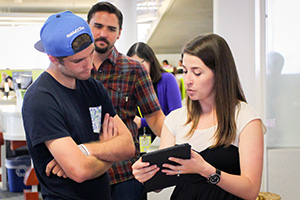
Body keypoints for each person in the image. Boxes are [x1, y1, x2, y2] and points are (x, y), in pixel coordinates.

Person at [132, 33, 266, 200]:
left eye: (197, 73)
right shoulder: (175, 119)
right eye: (185, 71)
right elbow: (161, 182)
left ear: (220, 74)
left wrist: (206, 170)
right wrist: (145, 173)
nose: (188, 80)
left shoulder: (245, 118)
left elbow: (250, 190)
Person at [22, 11, 135, 200]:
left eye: (90, 54)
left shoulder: (92, 86)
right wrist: (110, 151)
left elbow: (128, 146)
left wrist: (84, 150)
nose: (89, 65)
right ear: (53, 59)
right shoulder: (40, 99)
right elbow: (80, 171)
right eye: (78, 61)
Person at [87, 2, 165, 199]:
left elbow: (155, 118)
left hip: (126, 176)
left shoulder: (134, 70)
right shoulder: (75, 70)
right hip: (84, 172)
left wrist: (174, 152)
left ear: (119, 33)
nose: (103, 34)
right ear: (87, 26)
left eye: (111, 29)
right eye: (98, 26)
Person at [127, 42, 182, 146]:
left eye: (139, 64)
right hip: (136, 144)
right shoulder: (130, 84)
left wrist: (142, 122)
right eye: (131, 64)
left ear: (150, 61)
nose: (135, 69)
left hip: (162, 141)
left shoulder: (167, 80)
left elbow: (176, 119)